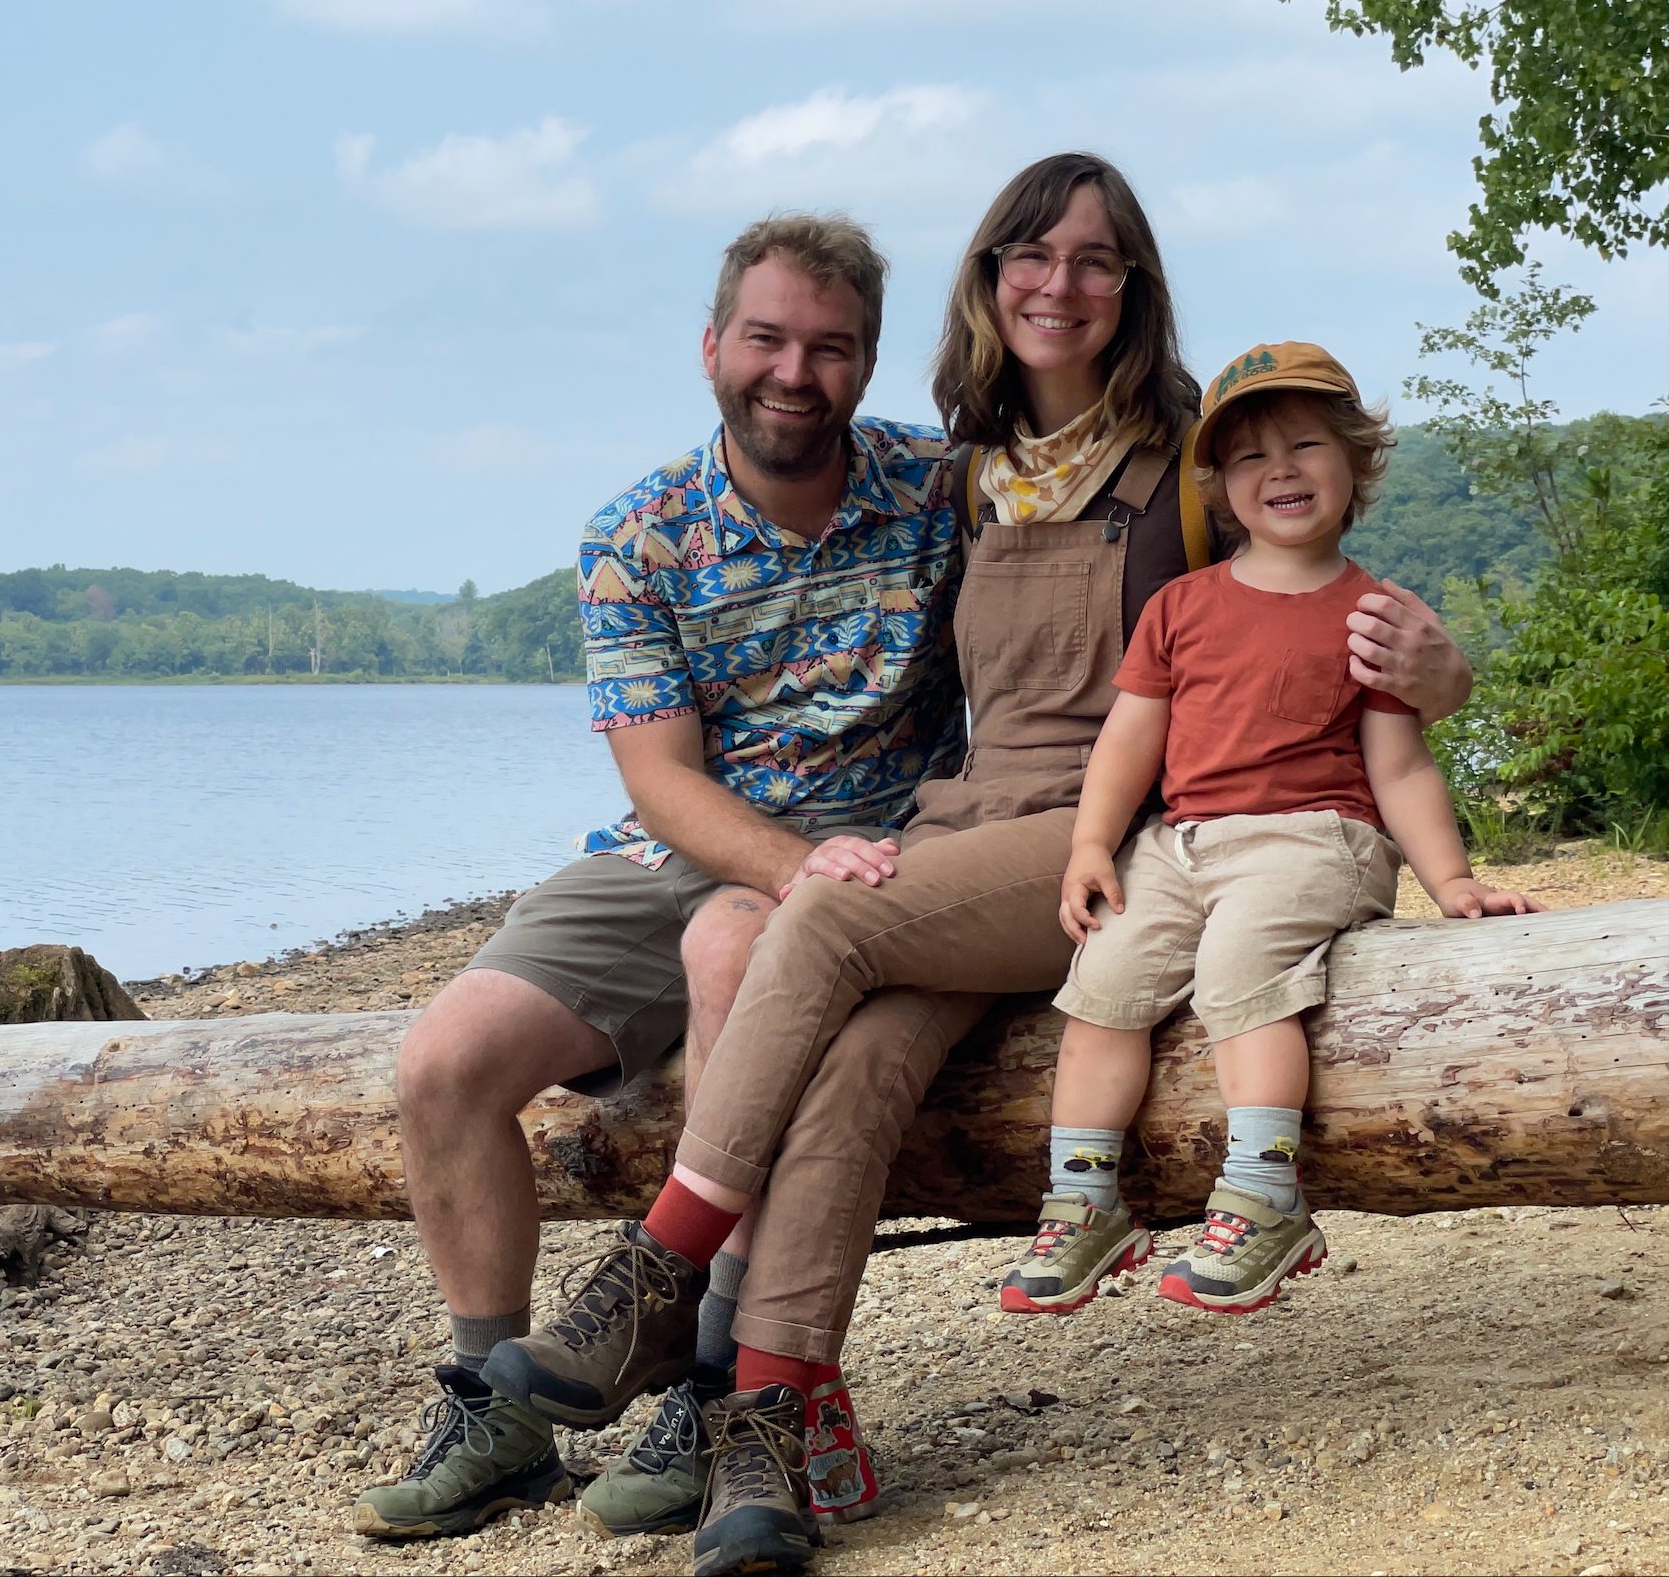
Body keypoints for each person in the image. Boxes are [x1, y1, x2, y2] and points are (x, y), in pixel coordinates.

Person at [478, 154, 1473, 1577]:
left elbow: (1325, 619)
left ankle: (657, 1268)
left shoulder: (1190, 462)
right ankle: (769, 1425)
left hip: (1107, 848)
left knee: (815, 922)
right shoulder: (963, 471)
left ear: (1133, 290)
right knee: (863, 1062)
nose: (1058, 284)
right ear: (989, 276)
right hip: (963, 826)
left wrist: (1446, 679)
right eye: (1031, 253)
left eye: (1094, 260)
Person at [352, 212, 962, 1541]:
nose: (794, 372)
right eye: (768, 338)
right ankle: (497, 1405)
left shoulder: (940, 494)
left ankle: (712, 1382)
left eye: (830, 347)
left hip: (861, 863)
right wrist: (804, 863)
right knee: (443, 1062)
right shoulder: (639, 533)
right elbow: (661, 783)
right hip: (679, 850)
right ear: (711, 347)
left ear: (867, 366)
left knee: (733, 953)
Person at [1000, 343, 1537, 1319]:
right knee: (1101, 985)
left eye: (1304, 445)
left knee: (1237, 968)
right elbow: (1128, 742)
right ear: (1218, 487)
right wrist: (1090, 844)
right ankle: (1082, 1202)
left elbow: (1399, 764)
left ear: (1356, 461)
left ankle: (1263, 1194)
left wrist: (1451, 880)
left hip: (1313, 836)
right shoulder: (1178, 606)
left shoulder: (1369, 613)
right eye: (1248, 457)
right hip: (1181, 841)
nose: (1278, 470)